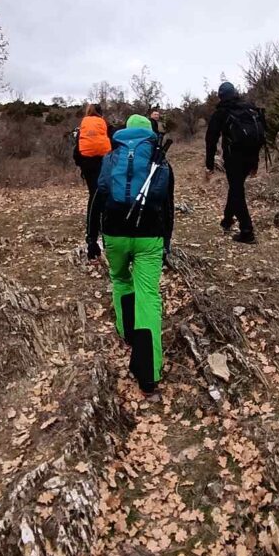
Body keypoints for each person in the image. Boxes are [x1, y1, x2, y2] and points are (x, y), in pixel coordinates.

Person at [87, 114, 174, 394]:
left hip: (114, 235)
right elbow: (168, 209)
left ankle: (127, 334)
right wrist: (166, 244)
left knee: (121, 279)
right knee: (148, 296)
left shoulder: (110, 159)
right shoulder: (161, 162)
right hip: (150, 237)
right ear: (151, 135)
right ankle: (148, 376)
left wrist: (91, 239)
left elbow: (97, 199)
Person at [205, 81, 265, 244]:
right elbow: (258, 135)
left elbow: (211, 139)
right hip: (251, 157)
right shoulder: (249, 107)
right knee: (236, 188)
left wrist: (209, 165)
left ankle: (247, 231)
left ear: (221, 96)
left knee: (237, 191)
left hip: (234, 158)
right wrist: (255, 163)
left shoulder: (222, 112)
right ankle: (227, 221)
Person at [74, 104, 112, 206]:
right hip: (103, 161)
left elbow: (77, 148)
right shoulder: (105, 125)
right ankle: (103, 219)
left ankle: (92, 221)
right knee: (104, 191)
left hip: (86, 163)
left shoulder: (83, 126)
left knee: (93, 193)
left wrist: (80, 163)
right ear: (101, 113)